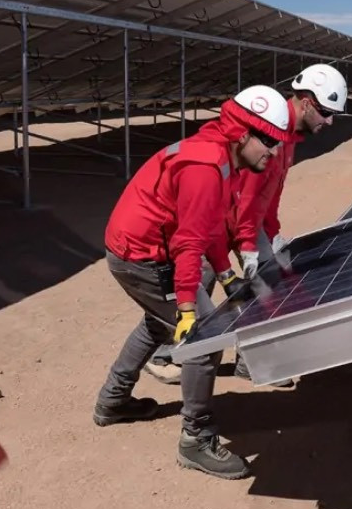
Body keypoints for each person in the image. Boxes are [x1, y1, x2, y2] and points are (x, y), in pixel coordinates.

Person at [92, 85, 291, 479]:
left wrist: (225, 273)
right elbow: (189, 242)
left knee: (157, 324)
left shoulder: (224, 158)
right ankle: (195, 439)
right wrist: (186, 309)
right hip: (142, 257)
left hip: (143, 248)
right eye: (268, 141)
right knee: (204, 341)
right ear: (243, 133)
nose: (273, 151)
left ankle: (113, 401)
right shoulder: (206, 167)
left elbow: (210, 224)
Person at [144, 63, 349, 386]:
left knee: (258, 289)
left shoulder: (289, 137)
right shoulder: (269, 130)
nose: (329, 121)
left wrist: (273, 232)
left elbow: (272, 192)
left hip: (245, 227)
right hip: (220, 226)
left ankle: (249, 362)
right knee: (192, 294)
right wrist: (248, 246)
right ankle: (163, 355)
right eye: (326, 112)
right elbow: (246, 197)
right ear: (307, 103)